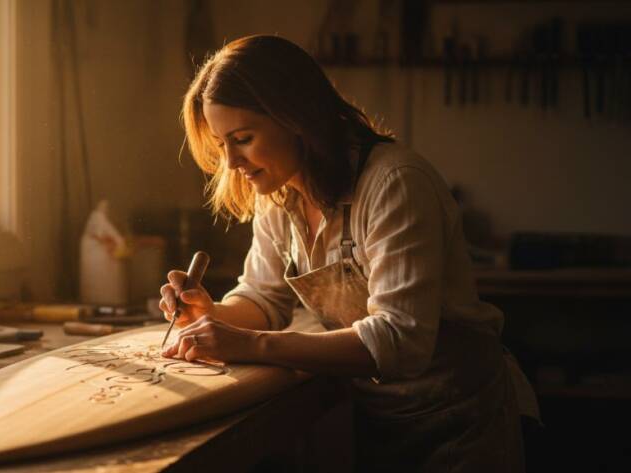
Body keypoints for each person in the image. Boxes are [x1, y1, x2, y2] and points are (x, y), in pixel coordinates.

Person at [159, 35, 538, 472]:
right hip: (379, 415)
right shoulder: (278, 194)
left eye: (242, 139)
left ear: (295, 117)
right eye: (222, 145)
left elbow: (400, 339)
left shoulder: (394, 182)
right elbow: (263, 300)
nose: (231, 163)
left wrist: (253, 345)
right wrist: (212, 314)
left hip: (461, 416)